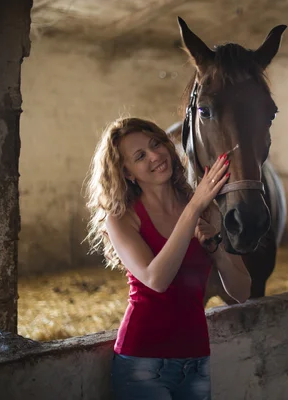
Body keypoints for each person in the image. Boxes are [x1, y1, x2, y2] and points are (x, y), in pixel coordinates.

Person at [85, 117, 251, 400]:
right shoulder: (122, 217)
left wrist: (215, 247)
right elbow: (156, 279)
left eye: (156, 144)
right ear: (127, 172)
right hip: (142, 359)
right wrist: (195, 206)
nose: (155, 156)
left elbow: (242, 291)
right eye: (140, 156)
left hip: (196, 358)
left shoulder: (206, 209)